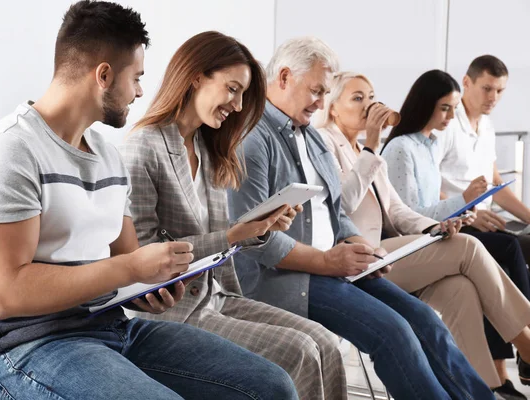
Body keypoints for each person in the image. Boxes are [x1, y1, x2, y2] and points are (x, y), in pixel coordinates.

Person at [0, 2, 299, 399]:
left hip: (111, 327)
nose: (139, 91)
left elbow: (129, 263)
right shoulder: (6, 154)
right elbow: (5, 294)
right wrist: (130, 267)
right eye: (136, 77)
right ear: (103, 75)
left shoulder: (106, 156)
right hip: (30, 350)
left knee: (272, 387)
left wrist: (151, 287)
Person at [227, 36, 495, 399]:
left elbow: (336, 210)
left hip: (335, 265)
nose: (321, 102)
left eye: (325, 93)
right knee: (393, 333)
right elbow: (251, 240)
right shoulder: (252, 140)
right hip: (287, 278)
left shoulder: (312, 139)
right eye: (317, 91)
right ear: (285, 77)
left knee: (426, 322)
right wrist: (327, 261)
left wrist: (356, 244)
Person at [119, 30, 345, 400]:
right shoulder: (145, 147)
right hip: (176, 311)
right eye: (232, 89)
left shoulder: (208, 149)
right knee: (300, 351)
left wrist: (260, 227)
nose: (238, 106)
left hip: (218, 294)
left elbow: (221, 235)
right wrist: (233, 235)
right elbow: (144, 252)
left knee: (324, 342)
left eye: (243, 94)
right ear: (196, 77)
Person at [317, 70, 530, 399]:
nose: (368, 105)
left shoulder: (362, 150)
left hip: (386, 253)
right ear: (333, 107)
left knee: (459, 288)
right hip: (356, 258)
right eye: (357, 98)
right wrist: (373, 147)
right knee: (469, 247)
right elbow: (340, 204)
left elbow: (399, 210)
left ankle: (482, 389)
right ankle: (526, 342)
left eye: (371, 97)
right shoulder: (325, 144)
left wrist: (433, 227)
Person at [436, 55, 530, 268]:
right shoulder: (446, 125)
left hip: (486, 219)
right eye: (487, 89)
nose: (493, 97)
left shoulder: (487, 126)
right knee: (514, 246)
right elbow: (427, 184)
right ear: (467, 83)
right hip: (457, 221)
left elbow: (495, 184)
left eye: (499, 91)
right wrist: (467, 214)